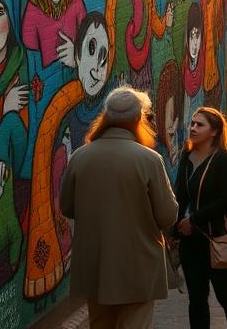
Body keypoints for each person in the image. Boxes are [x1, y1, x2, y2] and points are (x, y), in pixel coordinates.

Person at [59, 87, 179, 328]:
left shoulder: (80, 157)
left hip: (96, 264)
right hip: (139, 265)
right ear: (138, 118)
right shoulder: (149, 159)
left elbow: (67, 207)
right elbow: (167, 216)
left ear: (105, 116)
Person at [173, 107, 227, 329]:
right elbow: (180, 195)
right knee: (196, 299)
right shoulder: (187, 156)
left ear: (214, 132)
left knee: (226, 297)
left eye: (199, 124)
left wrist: (194, 220)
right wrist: (177, 228)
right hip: (189, 241)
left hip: (216, 239)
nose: (193, 128)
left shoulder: (222, 160)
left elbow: (226, 200)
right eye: (192, 123)